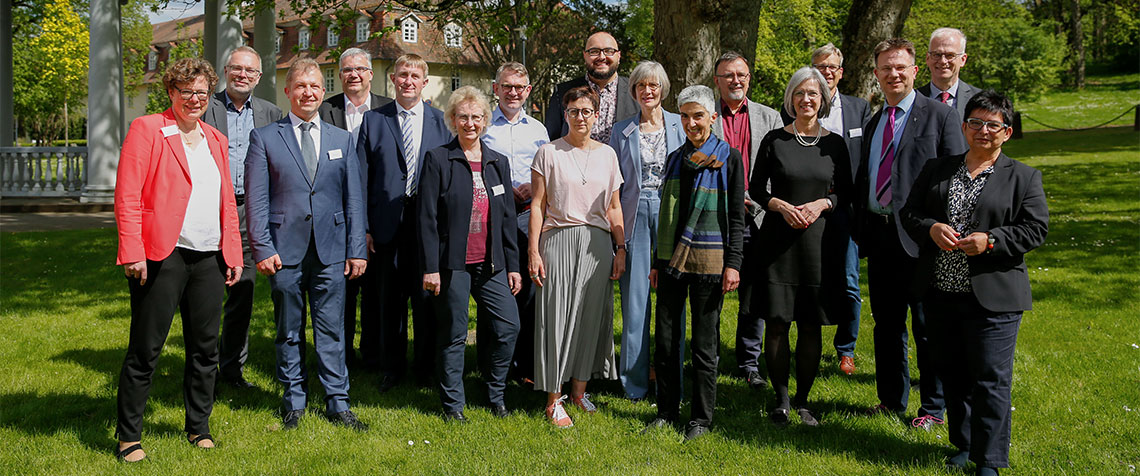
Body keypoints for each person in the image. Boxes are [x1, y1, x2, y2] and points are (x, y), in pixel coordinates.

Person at [900, 90, 1048, 476]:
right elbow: (910, 212)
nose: (983, 130)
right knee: (953, 373)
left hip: (993, 297)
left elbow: (1035, 229)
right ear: (964, 126)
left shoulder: (1024, 177)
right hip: (941, 291)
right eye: (976, 122)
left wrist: (993, 240)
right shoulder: (938, 169)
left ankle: (991, 461)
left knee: (990, 380)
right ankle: (963, 445)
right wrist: (930, 228)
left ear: (1007, 132)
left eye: (992, 125)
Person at [113, 57, 243, 462]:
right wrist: (132, 251)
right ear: (171, 91)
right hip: (160, 256)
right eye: (186, 91)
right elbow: (128, 195)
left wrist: (233, 252)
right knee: (146, 349)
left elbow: (226, 202)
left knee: (205, 349)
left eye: (202, 92)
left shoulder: (215, 139)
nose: (194, 99)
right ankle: (129, 436)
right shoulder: (148, 129)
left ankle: (198, 426)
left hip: (209, 258)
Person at [244, 58, 369, 431]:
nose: (308, 93)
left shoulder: (342, 139)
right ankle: (294, 401)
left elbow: (353, 199)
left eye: (315, 86)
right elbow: (256, 200)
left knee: (332, 329)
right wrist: (263, 248)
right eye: (301, 86)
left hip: (331, 251)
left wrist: (356, 249)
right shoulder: (265, 137)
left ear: (322, 90)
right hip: (284, 251)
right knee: (289, 329)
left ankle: (338, 402)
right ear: (288, 91)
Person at [854, 38, 966, 428]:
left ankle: (934, 407)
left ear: (915, 71)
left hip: (922, 240)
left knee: (927, 327)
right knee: (886, 326)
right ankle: (891, 399)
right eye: (886, 67)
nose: (894, 74)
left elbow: (956, 178)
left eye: (900, 67)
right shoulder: (873, 122)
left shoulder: (938, 116)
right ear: (877, 74)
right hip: (881, 237)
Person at [750, 67, 851, 427]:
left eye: (813, 94)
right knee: (777, 323)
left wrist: (822, 204)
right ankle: (780, 401)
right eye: (799, 93)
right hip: (778, 242)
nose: (806, 100)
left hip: (818, 244)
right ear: (790, 98)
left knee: (810, 323)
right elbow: (756, 188)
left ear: (823, 99)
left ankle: (804, 401)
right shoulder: (774, 140)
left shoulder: (834, 144)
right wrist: (778, 205)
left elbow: (845, 193)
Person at [645, 85, 746, 441]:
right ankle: (667, 411)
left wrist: (733, 263)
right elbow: (666, 218)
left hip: (710, 260)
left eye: (698, 116)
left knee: (705, 345)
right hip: (671, 261)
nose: (691, 123)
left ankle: (701, 419)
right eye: (685, 116)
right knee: (666, 341)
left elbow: (736, 217)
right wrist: (658, 263)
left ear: (712, 118)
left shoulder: (729, 158)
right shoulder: (675, 158)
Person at [419, 86, 523, 422]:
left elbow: (507, 217)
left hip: (492, 263)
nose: (470, 123)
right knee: (453, 334)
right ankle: (453, 405)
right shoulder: (438, 159)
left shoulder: (497, 162)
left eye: (476, 116)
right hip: (453, 265)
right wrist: (431, 268)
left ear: (485, 121)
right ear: (452, 120)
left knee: (509, 327)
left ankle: (495, 393)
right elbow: (427, 219)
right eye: (462, 116)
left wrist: (512, 266)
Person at [529, 86, 625, 428]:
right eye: (573, 111)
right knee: (555, 319)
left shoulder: (608, 155)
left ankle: (580, 391)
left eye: (586, 111)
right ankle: (554, 398)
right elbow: (538, 206)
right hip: (557, 240)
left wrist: (621, 248)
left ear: (596, 115)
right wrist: (533, 250)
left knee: (590, 318)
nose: (580, 117)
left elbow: (614, 208)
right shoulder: (548, 153)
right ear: (565, 114)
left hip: (598, 245)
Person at [357, 54, 452, 391]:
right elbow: (361, 177)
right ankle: (391, 367)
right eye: (402, 75)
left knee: (426, 300)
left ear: (425, 82)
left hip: (429, 227)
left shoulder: (443, 123)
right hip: (385, 226)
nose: (408, 81)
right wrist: (364, 228)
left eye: (415, 75)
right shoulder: (373, 121)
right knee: (390, 301)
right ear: (393, 80)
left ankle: (425, 368)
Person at [202, 46, 283, 390]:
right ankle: (202, 371)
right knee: (205, 295)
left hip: (251, 213)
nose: (243, 75)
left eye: (250, 71)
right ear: (225, 70)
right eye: (237, 68)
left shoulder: (271, 113)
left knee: (242, 295)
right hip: (209, 211)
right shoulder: (206, 108)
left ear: (259, 77)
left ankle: (231, 371)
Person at [608, 60, 685, 401]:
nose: (648, 91)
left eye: (653, 85)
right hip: (635, 215)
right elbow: (614, 184)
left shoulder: (679, 125)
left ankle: (672, 380)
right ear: (634, 91)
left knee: (673, 300)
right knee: (635, 302)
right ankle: (634, 384)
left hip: (673, 214)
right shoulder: (621, 130)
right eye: (641, 86)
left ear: (662, 89)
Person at [710, 51, 783, 390]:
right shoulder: (705, 118)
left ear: (749, 78)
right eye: (728, 75)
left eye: (741, 74)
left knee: (753, 294)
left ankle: (749, 361)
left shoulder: (769, 118)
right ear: (717, 81)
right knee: (710, 291)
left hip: (758, 218)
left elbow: (781, 169)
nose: (735, 80)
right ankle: (706, 356)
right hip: (715, 218)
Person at [318, 47, 393, 370]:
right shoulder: (324, 111)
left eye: (360, 69)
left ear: (370, 74)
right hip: (333, 213)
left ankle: (374, 354)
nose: (354, 75)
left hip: (378, 214)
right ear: (340, 74)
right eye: (347, 70)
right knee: (342, 293)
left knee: (376, 293)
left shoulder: (388, 111)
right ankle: (341, 356)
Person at [482, 62, 550, 385]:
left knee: (528, 290)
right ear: (496, 89)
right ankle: (491, 364)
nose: (512, 92)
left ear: (528, 91)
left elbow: (549, 173)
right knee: (492, 285)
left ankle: (524, 366)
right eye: (506, 86)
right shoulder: (484, 126)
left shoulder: (538, 131)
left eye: (519, 87)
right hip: (490, 216)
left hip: (526, 215)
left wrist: (532, 187)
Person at [809, 43, 871, 376]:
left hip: (846, 207)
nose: (827, 72)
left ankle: (846, 348)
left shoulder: (860, 108)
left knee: (848, 280)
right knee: (814, 278)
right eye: (821, 66)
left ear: (841, 71)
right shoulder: (798, 105)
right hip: (810, 206)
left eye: (833, 66)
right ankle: (812, 344)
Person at [545, 31, 638, 142]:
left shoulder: (636, 91)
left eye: (609, 51)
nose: (602, 57)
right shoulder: (562, 92)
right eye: (594, 52)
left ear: (618, 55)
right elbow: (551, 138)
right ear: (585, 55)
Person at [917, 28, 979, 122]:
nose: (942, 61)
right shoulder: (913, 100)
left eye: (950, 55)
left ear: (963, 60)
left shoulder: (978, 99)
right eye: (936, 54)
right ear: (928, 58)